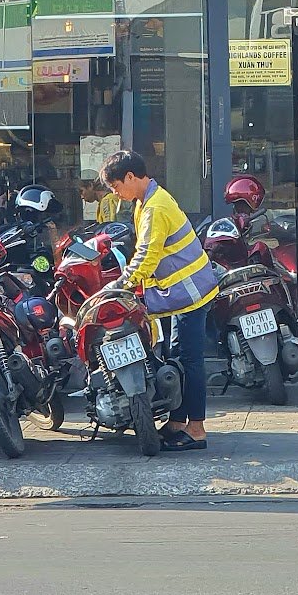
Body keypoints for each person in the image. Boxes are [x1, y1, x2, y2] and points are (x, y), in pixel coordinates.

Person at [102, 148, 219, 452]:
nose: (116, 193)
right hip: (180, 295)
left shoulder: (155, 207)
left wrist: (121, 285)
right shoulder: (147, 202)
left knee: (190, 361)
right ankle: (178, 422)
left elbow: (147, 255)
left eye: (116, 186)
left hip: (190, 293)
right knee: (177, 357)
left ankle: (196, 429)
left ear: (130, 177)